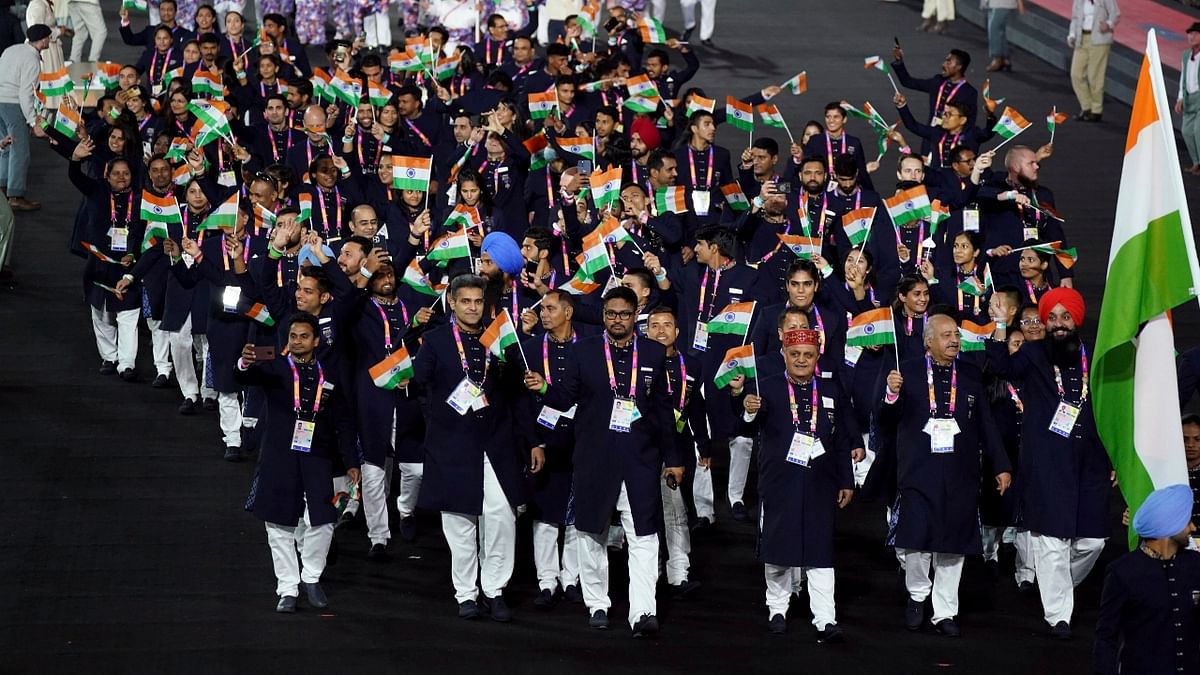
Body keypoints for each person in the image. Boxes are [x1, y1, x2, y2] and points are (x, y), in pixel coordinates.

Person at [524, 286, 683, 637]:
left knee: (644, 535)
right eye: (610, 314)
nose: (617, 320)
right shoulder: (585, 351)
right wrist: (543, 389)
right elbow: (565, 398)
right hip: (595, 456)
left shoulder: (655, 353)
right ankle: (597, 603)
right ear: (603, 315)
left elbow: (661, 410)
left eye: (624, 314)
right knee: (590, 531)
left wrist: (673, 458)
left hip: (640, 459)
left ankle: (643, 612)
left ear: (634, 317)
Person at [987, 287, 1110, 640]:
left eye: (1064, 317)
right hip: (1047, 462)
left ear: (1077, 319)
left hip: (1091, 461)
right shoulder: (1033, 353)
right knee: (1052, 540)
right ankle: (1059, 615)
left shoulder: (1095, 355)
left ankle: (1057, 584)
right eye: (1051, 317)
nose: (1057, 324)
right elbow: (999, 365)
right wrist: (999, 323)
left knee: (1094, 541)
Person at [878, 313, 1012, 637]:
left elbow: (986, 425)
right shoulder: (906, 372)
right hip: (917, 470)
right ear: (928, 341)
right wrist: (892, 394)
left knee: (953, 542)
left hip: (961, 472)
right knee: (917, 541)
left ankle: (945, 612)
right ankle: (917, 596)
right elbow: (885, 420)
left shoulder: (968, 375)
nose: (954, 340)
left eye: (956, 334)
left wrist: (1002, 464)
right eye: (946, 335)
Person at [732, 328, 860, 641]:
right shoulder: (767, 387)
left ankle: (825, 619)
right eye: (795, 354)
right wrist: (748, 410)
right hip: (779, 480)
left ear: (817, 357)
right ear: (784, 355)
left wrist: (846, 479)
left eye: (808, 355)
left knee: (820, 549)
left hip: (820, 480)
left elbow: (841, 439)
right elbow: (745, 424)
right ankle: (777, 608)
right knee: (777, 546)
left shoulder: (831, 389)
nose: (801, 360)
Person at [412, 273, 526, 622]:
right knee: (459, 520)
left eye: (478, 302)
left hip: (497, 440)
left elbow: (516, 391)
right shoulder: (434, 340)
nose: (473, 308)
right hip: (452, 442)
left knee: (502, 516)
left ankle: (495, 589)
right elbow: (420, 384)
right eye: (466, 301)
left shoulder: (501, 336)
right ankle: (466, 593)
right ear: (452, 302)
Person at [236, 313, 361, 613]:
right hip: (279, 455)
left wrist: (351, 461)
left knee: (324, 518)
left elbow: (343, 420)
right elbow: (246, 377)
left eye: (304, 336)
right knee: (277, 522)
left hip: (318, 455)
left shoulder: (329, 373)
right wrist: (244, 362)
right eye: (293, 336)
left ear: (316, 341)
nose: (297, 341)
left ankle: (312, 576)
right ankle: (287, 587)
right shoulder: (275, 367)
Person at [1094, 484, 1200, 675]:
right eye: (1186, 521)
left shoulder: (1196, 565)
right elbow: (1106, 638)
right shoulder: (1123, 572)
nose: (1193, 527)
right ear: (1169, 523)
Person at [0, 25, 51, 211]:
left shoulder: (11, 49)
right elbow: (25, 93)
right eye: (48, 38)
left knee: (6, 147)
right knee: (20, 151)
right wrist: (32, 120)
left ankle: (2, 187)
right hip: (13, 105)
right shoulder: (32, 59)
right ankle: (15, 195)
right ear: (43, 40)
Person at [1068, 0, 1120, 123]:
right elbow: (1075, 18)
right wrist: (1071, 35)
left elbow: (1115, 14)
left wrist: (1108, 24)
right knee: (1076, 74)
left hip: (1099, 39)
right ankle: (1086, 107)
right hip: (1082, 39)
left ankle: (1096, 110)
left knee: (1095, 77)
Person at [1177, 23, 1200, 175]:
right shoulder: (1186, 55)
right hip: (1189, 97)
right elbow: (1182, 77)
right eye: (1189, 34)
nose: (1191, 37)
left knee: (1198, 130)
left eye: (1195, 34)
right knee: (1186, 131)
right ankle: (1196, 162)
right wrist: (1180, 98)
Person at [983, 0, 1024, 72]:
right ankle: (1005, 58)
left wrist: (1020, 3)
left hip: (1002, 4)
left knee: (994, 29)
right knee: (998, 30)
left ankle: (997, 58)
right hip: (995, 4)